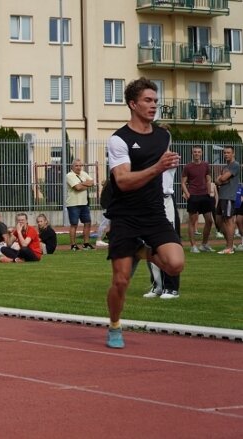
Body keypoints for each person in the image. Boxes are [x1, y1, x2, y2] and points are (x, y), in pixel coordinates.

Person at [104, 77, 184, 349]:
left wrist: (166, 168)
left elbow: (161, 168)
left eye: (156, 101)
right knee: (121, 281)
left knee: (175, 264)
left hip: (154, 212)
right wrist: (158, 168)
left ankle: (140, 250)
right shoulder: (118, 139)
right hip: (125, 216)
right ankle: (115, 325)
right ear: (133, 104)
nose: (154, 106)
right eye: (148, 101)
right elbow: (124, 181)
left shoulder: (163, 135)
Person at [142, 168, 182, 299]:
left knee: (168, 245)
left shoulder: (166, 156)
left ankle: (171, 288)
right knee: (149, 246)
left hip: (165, 201)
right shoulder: (144, 156)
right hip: (148, 202)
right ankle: (157, 285)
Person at [181, 145, 215, 253]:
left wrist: (209, 193)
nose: (197, 154)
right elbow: (183, 182)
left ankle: (204, 244)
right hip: (193, 196)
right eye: (195, 152)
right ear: (192, 153)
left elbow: (208, 180)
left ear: (201, 153)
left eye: (198, 152)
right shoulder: (188, 167)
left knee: (209, 221)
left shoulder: (205, 165)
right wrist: (188, 194)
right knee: (192, 221)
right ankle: (193, 246)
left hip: (205, 195)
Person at [214, 146, 240, 254]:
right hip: (222, 197)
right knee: (219, 221)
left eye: (228, 153)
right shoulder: (225, 166)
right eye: (224, 153)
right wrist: (221, 179)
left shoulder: (235, 165)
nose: (226, 155)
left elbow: (222, 179)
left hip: (229, 197)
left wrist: (221, 178)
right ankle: (230, 244)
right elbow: (217, 181)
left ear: (233, 154)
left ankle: (229, 248)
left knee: (229, 221)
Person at [65, 158, 95, 251]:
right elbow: (77, 188)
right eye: (76, 165)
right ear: (72, 166)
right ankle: (73, 245)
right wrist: (86, 184)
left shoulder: (83, 173)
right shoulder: (69, 175)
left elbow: (92, 182)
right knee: (74, 224)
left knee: (88, 223)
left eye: (80, 165)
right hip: (73, 204)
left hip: (84, 203)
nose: (79, 167)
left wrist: (82, 184)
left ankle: (86, 243)